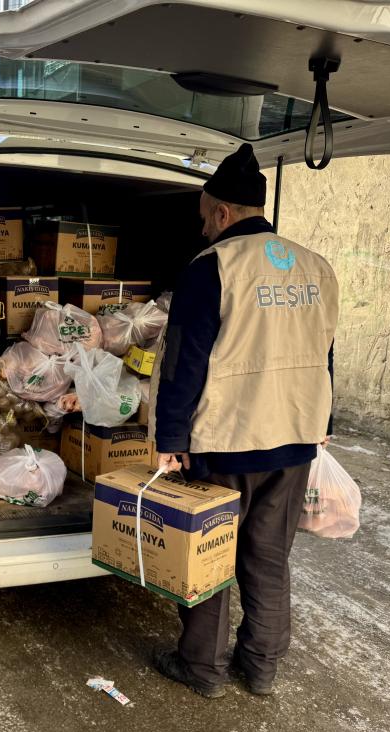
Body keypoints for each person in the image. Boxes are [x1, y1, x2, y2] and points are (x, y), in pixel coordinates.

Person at [152, 143, 338, 699]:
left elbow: (185, 362)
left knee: (211, 556)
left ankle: (202, 668)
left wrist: (170, 439)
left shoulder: (213, 269)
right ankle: (260, 666)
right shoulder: (316, 266)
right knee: (268, 557)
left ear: (223, 212)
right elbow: (325, 352)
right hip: (296, 440)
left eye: (205, 216)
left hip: (228, 441)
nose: (203, 227)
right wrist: (323, 417)